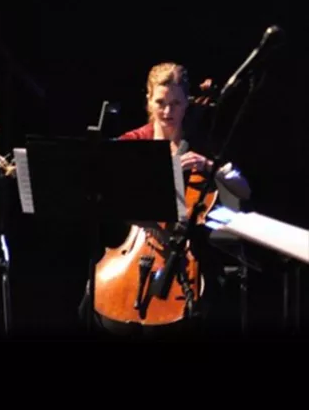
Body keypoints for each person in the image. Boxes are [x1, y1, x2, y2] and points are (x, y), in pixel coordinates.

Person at [80, 61, 251, 339]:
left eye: (176, 103)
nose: (168, 111)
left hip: (186, 251)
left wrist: (211, 166)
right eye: (161, 102)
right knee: (90, 305)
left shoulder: (200, 145)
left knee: (207, 306)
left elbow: (243, 190)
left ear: (187, 104)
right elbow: (109, 195)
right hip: (137, 244)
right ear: (148, 100)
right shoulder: (133, 142)